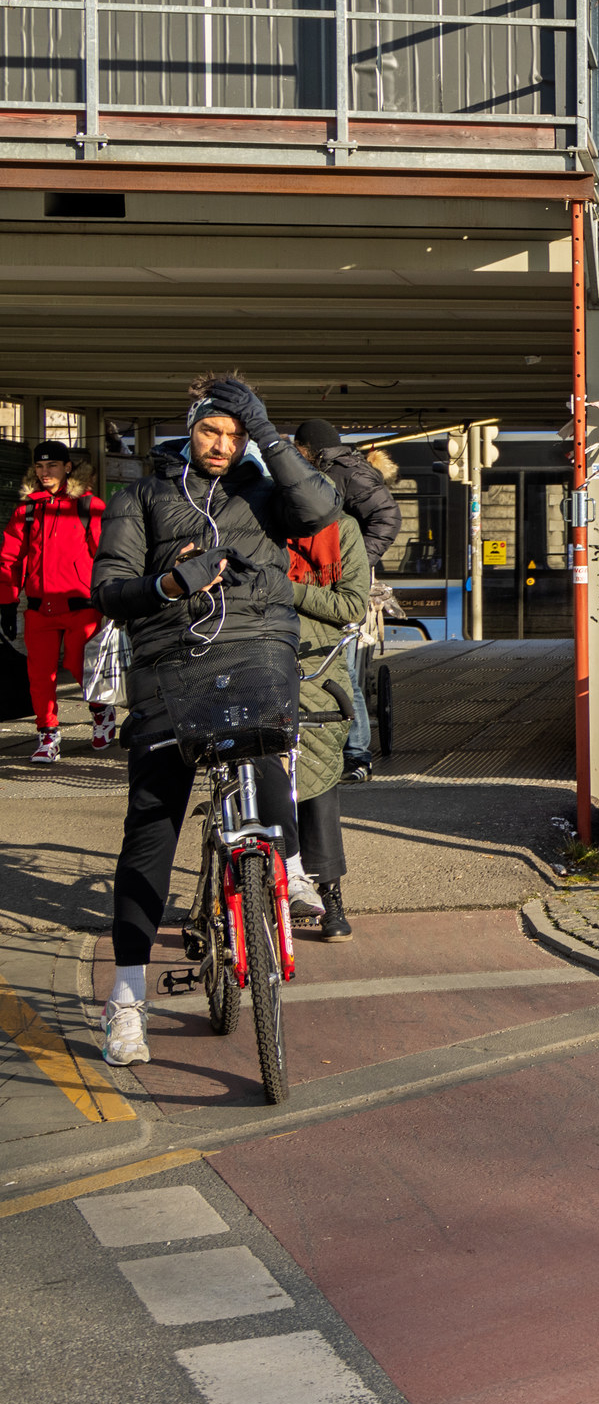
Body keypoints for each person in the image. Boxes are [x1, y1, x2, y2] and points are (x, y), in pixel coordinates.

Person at [90, 376, 340, 1066]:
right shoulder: (142, 495)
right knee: (152, 822)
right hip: (171, 665)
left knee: (267, 756)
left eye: (235, 435)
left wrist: (266, 430)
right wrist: (169, 584)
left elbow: (320, 511)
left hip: (258, 651)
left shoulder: (262, 490)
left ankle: (281, 869)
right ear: (190, 429)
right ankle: (127, 1001)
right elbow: (108, 589)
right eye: (212, 432)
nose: (223, 446)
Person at [280, 438, 371, 938]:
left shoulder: (345, 531)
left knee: (315, 785)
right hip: (262, 661)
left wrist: (286, 589)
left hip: (319, 668)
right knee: (254, 783)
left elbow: (352, 605)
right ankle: (253, 890)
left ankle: (330, 893)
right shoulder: (262, 526)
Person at [290, 420, 399, 785]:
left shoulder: (345, 472)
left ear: (307, 447)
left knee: (343, 672)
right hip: (311, 579)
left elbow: (387, 517)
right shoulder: (327, 469)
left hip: (337, 583)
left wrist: (354, 563)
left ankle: (356, 754)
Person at [3, 442, 112, 761]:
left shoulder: (87, 506)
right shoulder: (27, 510)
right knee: (40, 676)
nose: (44, 472)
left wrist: (111, 596)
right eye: (39, 466)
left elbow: (106, 555)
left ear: (67, 467)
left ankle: (100, 711)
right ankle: (47, 735)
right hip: (39, 608)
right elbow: (8, 558)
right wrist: (7, 602)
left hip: (81, 605)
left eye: (52, 466)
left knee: (80, 666)